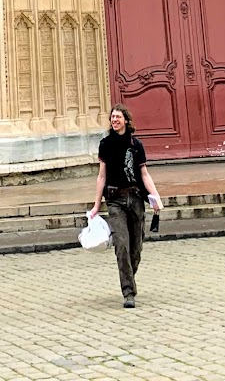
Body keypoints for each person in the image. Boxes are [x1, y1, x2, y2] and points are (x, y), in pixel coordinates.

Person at [88, 104, 162, 308]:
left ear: (126, 120)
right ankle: (128, 292)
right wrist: (96, 205)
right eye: (112, 117)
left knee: (135, 249)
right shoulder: (105, 144)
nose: (114, 120)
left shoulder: (136, 145)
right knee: (121, 245)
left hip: (136, 200)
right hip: (115, 201)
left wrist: (155, 197)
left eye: (118, 117)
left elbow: (144, 174)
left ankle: (129, 277)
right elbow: (101, 176)